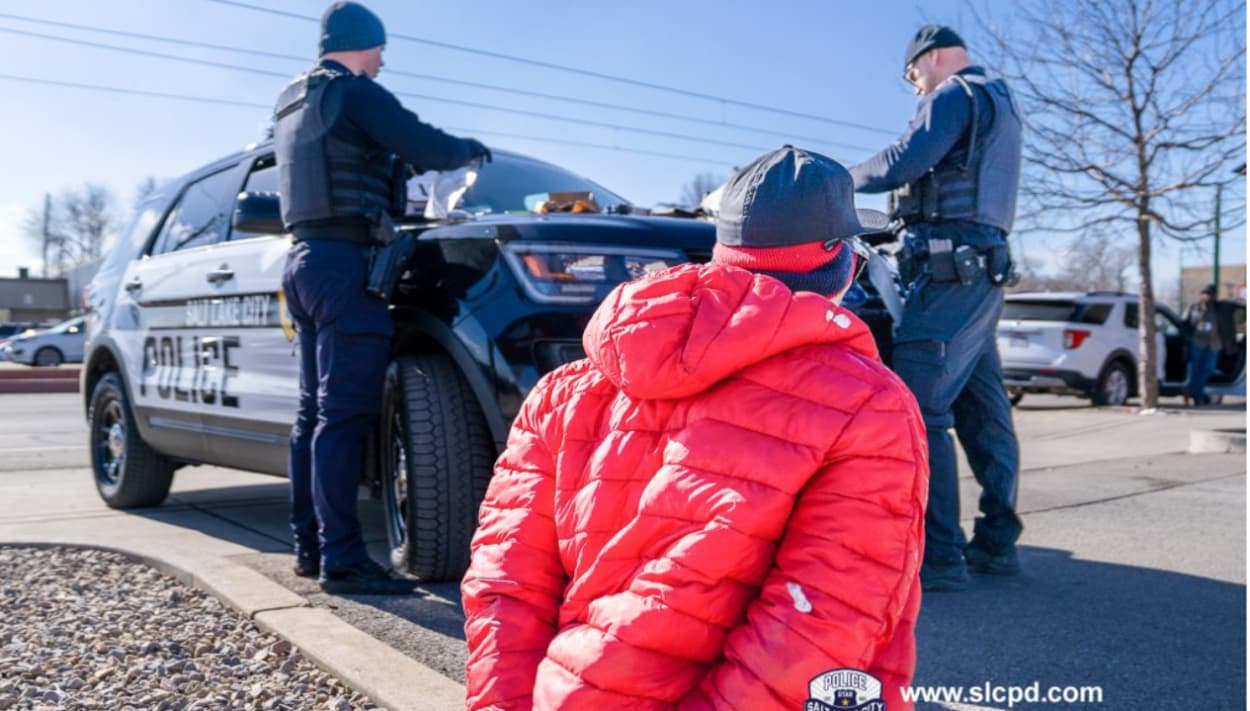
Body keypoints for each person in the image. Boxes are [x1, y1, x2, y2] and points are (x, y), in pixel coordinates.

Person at [462, 146, 928, 710]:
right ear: (842, 263)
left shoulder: (562, 392)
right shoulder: (870, 405)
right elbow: (823, 625)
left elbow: (504, 582)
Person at [274, 1, 491, 594]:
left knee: (313, 417)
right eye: (379, 49)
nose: (382, 60)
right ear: (364, 43)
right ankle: (344, 562)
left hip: (304, 261)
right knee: (342, 417)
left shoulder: (294, 98)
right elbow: (425, 145)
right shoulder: (355, 91)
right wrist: (470, 150)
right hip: (347, 266)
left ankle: (311, 549)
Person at [848, 25, 1024, 592]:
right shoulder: (1000, 100)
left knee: (920, 410)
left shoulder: (954, 94)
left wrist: (834, 182)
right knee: (983, 411)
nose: (915, 86)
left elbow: (903, 161)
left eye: (913, 73)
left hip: (949, 276)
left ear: (935, 57)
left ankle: (941, 557)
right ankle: (997, 543)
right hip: (980, 274)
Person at [1184, 285, 1235, 405]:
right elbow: (1185, 323)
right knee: (1196, 370)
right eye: (1205, 293)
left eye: (1210, 294)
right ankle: (1198, 395)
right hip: (1198, 343)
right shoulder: (1194, 307)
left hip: (1214, 343)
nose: (1207, 296)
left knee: (1209, 369)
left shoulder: (1219, 308)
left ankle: (1192, 390)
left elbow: (1226, 324)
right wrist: (1190, 337)